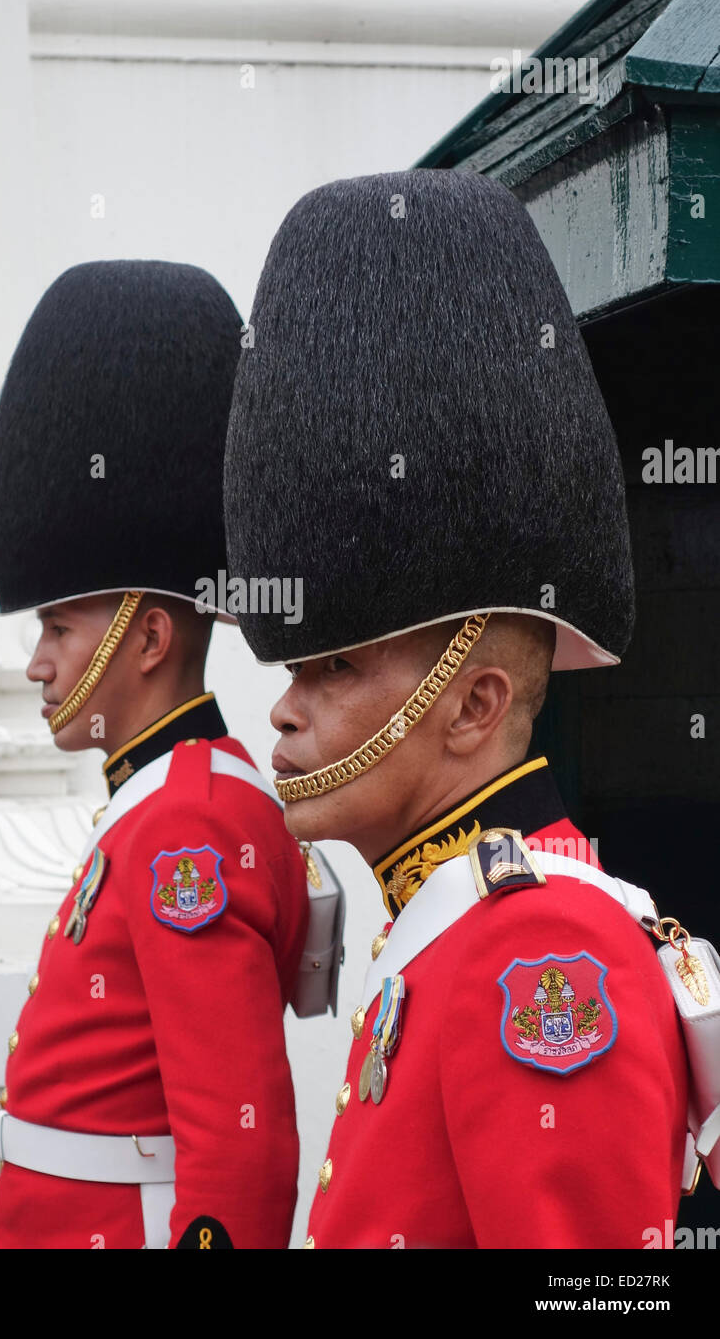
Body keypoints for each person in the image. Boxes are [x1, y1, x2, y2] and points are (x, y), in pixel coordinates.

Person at [223, 170, 693, 1248]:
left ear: (474, 703)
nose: (286, 712)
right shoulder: (447, 925)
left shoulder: (547, 957)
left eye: (333, 668)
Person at [0, 259, 309, 1249]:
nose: (39, 663)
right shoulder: (163, 801)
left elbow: (238, 1142)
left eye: (59, 627)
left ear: (149, 641)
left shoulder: (190, 826)